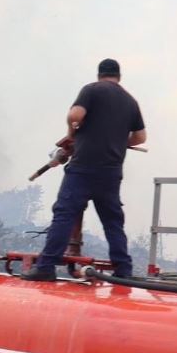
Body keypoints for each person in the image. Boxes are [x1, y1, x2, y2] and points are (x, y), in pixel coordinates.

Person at [21, 58, 146, 281]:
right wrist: (117, 139)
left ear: (99, 74)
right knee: (113, 221)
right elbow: (140, 137)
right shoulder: (130, 101)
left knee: (64, 214)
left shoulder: (91, 90)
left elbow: (75, 116)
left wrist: (71, 132)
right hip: (111, 173)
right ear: (119, 77)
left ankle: (46, 266)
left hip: (83, 169)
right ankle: (123, 270)